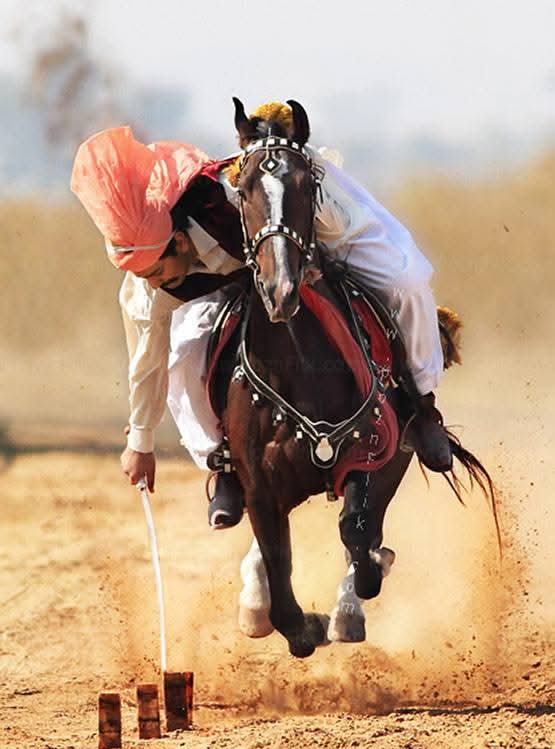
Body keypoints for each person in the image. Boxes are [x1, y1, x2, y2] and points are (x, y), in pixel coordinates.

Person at [70, 102, 451, 529]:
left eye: (157, 271)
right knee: (182, 350)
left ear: (178, 241)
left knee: (408, 280)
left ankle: (420, 408)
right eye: (144, 277)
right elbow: (147, 359)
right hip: (239, 282)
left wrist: (311, 264)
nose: (154, 283)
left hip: (320, 227)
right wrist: (140, 442)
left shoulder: (232, 199)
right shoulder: (146, 283)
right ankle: (224, 464)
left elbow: (321, 228)